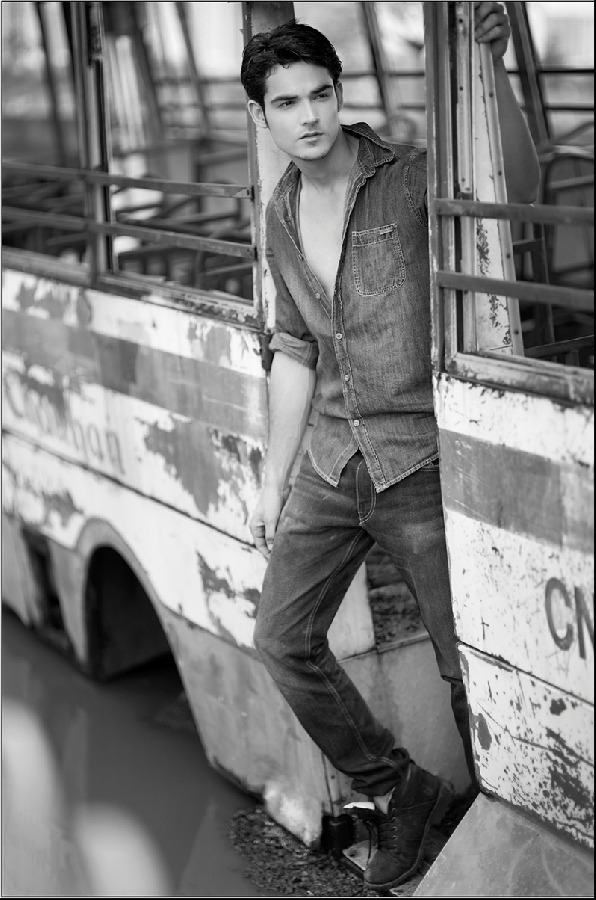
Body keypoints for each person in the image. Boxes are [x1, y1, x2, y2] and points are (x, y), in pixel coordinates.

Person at [241, 2, 540, 890]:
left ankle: (500, 835)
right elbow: (296, 348)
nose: (308, 116)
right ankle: (400, 790)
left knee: (464, 666)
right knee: (282, 639)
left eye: (320, 94)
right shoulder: (280, 213)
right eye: (287, 102)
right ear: (262, 114)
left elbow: (515, 187)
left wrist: (494, 79)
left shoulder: (409, 177)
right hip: (334, 460)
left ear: (340, 94)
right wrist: (273, 479)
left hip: (420, 460)